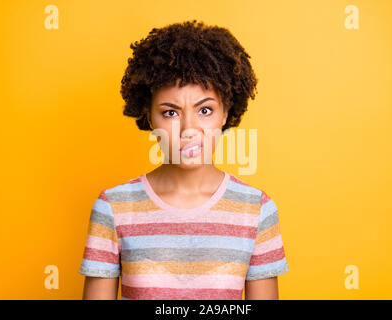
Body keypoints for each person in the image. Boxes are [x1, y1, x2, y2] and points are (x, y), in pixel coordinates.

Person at [79, 20, 289, 300]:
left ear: (225, 113)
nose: (189, 129)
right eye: (170, 112)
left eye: (205, 110)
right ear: (149, 116)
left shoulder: (257, 210)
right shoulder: (113, 208)